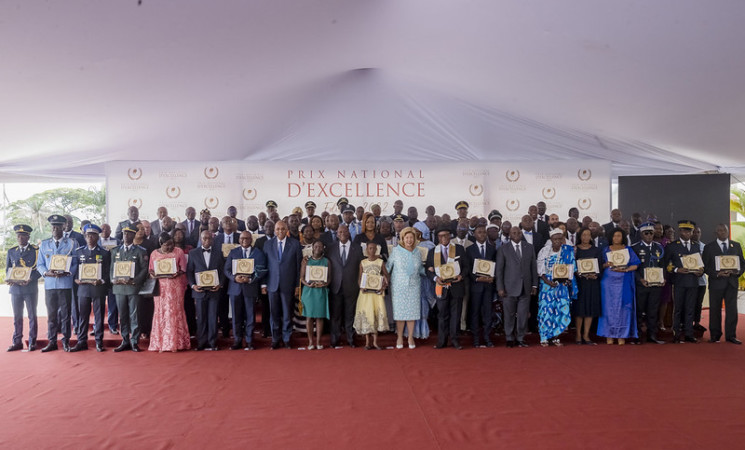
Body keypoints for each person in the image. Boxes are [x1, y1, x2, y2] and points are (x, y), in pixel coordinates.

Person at [37, 215, 79, 352]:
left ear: (63, 227)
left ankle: (66, 340)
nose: (55, 229)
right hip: (50, 284)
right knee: (52, 314)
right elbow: (40, 265)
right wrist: (45, 273)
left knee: (66, 315)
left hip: (65, 283)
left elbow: (76, 262)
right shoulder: (44, 244)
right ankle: (52, 341)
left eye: (58, 226)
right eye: (53, 226)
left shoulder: (71, 243)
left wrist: (68, 272)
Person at [426, 225, 468, 350]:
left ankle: (455, 340)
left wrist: (461, 276)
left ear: (450, 235)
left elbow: (466, 267)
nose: (443, 238)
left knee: (456, 315)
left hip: (456, 286)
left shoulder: (459, 249)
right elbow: (428, 270)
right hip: (441, 287)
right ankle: (442, 341)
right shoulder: (433, 251)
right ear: (437, 237)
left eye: (445, 235)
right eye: (440, 236)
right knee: (442, 315)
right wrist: (435, 278)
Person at [70, 224, 111, 352]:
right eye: (88, 235)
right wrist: (75, 279)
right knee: (83, 316)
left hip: (98, 288)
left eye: (93, 235)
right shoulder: (79, 251)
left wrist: (102, 280)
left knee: (98, 316)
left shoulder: (104, 253)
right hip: (83, 288)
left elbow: (107, 271)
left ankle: (99, 342)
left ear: (97, 237)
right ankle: (82, 341)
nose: (90, 238)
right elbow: (74, 268)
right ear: (85, 236)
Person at [224, 232, 268, 350]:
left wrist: (251, 279)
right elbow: (226, 270)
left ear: (251, 239)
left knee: (250, 316)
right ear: (239, 239)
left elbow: (263, 270)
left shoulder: (258, 253)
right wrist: (234, 278)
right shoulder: (233, 252)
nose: (244, 240)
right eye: (242, 238)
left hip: (250, 288)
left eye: (247, 238)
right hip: (235, 289)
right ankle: (237, 340)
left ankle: (249, 340)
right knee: (236, 316)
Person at [148, 232, 191, 352]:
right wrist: (154, 275)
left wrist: (177, 273)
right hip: (160, 288)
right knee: (161, 312)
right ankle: (160, 343)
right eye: (167, 245)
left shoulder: (178, 252)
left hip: (175, 286)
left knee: (174, 311)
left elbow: (183, 269)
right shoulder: (154, 253)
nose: (170, 247)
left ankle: (177, 342)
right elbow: (151, 270)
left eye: (171, 244)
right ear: (161, 244)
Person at [703, 224, 745, 344]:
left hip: (732, 283)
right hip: (716, 283)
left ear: (727, 232)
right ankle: (715, 336)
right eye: (719, 231)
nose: (722, 232)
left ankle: (731, 335)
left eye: (724, 230)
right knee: (715, 310)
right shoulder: (709, 247)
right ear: (715, 233)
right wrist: (717, 274)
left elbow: (742, 264)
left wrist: (737, 272)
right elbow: (705, 267)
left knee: (732, 310)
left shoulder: (736, 245)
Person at [263, 220, 302, 349]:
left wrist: (297, 285)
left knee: (287, 314)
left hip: (288, 284)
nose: (280, 231)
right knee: (273, 313)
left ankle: (286, 339)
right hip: (272, 284)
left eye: (282, 229)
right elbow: (263, 266)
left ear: (287, 230)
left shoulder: (295, 244)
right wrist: (263, 284)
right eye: (278, 229)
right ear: (274, 230)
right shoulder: (267, 244)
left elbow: (298, 267)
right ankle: (275, 339)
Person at [597, 228, 640, 345]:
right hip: (608, 284)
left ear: (623, 237)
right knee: (608, 309)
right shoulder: (605, 250)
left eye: (619, 236)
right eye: (614, 236)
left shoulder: (628, 250)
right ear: (611, 237)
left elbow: (636, 265)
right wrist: (606, 264)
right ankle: (609, 334)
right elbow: (599, 266)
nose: (616, 238)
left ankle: (622, 335)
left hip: (624, 283)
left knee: (623, 308)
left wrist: (626, 269)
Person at [497, 226, 537, 348]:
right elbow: (499, 270)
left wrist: (534, 285)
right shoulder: (503, 249)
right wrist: (500, 287)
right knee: (509, 315)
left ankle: (520, 338)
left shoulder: (529, 247)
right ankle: (509, 338)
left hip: (526, 287)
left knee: (523, 315)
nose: (516, 234)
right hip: (509, 288)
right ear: (509, 234)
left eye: (518, 232)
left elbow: (533, 268)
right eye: (514, 232)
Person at [664, 220, 704, 343]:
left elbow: (700, 264)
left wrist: (701, 271)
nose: (687, 233)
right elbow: (666, 264)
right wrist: (676, 269)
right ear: (680, 231)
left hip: (693, 281)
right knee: (678, 309)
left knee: (690, 308)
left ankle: (689, 334)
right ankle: (676, 334)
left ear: (692, 232)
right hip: (679, 281)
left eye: (689, 231)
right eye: (684, 230)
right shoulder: (672, 246)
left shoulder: (696, 245)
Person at [110, 225, 149, 352]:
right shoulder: (115, 251)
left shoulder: (140, 251)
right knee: (123, 315)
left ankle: (134, 341)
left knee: (134, 315)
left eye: (129, 234)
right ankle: (125, 340)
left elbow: (144, 269)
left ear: (133, 235)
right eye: (124, 233)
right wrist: (112, 279)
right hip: (119, 288)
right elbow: (111, 268)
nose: (126, 236)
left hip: (133, 288)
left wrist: (136, 280)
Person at [387, 227, 426, 349]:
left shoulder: (417, 252)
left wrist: (432, 272)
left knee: (412, 313)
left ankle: (410, 337)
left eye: (411, 237)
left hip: (414, 285)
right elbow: (388, 267)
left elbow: (420, 269)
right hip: (399, 286)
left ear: (414, 239)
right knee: (400, 314)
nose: (409, 240)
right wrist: (380, 278)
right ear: (402, 238)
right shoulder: (396, 251)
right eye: (406, 237)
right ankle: (399, 337)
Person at [536, 229, 577, 347]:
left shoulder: (567, 252)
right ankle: (544, 337)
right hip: (546, 285)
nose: (558, 241)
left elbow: (571, 268)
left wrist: (566, 280)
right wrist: (548, 282)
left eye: (560, 239)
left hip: (561, 286)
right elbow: (540, 270)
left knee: (559, 310)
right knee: (546, 310)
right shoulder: (544, 251)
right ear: (551, 240)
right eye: (555, 239)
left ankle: (555, 336)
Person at [187, 230, 225, 351]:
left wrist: (220, 284)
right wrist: (193, 285)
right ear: (200, 239)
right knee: (201, 318)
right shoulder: (193, 253)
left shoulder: (219, 253)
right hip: (199, 292)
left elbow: (223, 272)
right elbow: (189, 272)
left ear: (212, 239)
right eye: (204, 238)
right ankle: (201, 342)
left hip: (214, 290)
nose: (207, 241)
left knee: (213, 317)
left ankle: (213, 342)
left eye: (209, 238)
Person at [5, 224, 41, 351]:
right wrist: (9, 279)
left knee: (32, 315)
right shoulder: (11, 251)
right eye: (18, 235)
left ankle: (32, 341)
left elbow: (39, 270)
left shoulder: (36, 250)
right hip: (15, 289)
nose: (20, 238)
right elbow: (8, 270)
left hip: (29, 288)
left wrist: (31, 279)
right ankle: (17, 341)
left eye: (23, 235)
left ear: (28, 236)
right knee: (17, 317)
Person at [326, 224, 362, 347]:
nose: (342, 234)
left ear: (348, 233)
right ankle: (334, 340)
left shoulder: (357, 248)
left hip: (351, 287)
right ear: (337, 234)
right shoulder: (330, 248)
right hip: (335, 286)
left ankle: (351, 339)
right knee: (335, 316)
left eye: (344, 231)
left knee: (350, 315)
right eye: (339, 232)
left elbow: (361, 268)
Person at [631, 222, 666, 344]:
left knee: (653, 310)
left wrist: (663, 278)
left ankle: (652, 335)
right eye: (646, 233)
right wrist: (640, 279)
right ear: (641, 234)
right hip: (641, 285)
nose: (649, 236)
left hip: (655, 285)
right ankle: (637, 336)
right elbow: (632, 268)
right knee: (639, 311)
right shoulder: (634, 248)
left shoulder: (658, 247)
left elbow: (663, 266)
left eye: (651, 233)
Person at [354, 241, 390, 350]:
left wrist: (383, 285)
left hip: (376, 294)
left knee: (375, 315)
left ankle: (375, 342)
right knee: (367, 315)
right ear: (366, 250)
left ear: (376, 249)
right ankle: (367, 342)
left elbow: (386, 276)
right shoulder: (363, 262)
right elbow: (360, 278)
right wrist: (361, 286)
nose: (372, 250)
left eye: (374, 248)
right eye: (370, 248)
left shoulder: (380, 262)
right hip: (365, 294)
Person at [465, 224, 497, 348]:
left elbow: (495, 265)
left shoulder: (492, 249)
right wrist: (478, 278)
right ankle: (476, 338)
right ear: (474, 234)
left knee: (488, 312)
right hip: (476, 286)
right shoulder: (469, 250)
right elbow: (468, 268)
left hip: (488, 286)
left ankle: (488, 337)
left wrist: (492, 277)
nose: (482, 234)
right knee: (475, 313)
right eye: (479, 232)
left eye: (484, 232)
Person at [573, 227, 603, 345]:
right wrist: (579, 274)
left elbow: (600, 265)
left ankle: (586, 335)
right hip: (580, 283)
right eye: (583, 235)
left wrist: (595, 275)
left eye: (588, 235)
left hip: (592, 283)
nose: (586, 237)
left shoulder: (596, 250)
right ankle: (578, 335)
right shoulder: (575, 250)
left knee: (590, 308)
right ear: (580, 236)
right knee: (580, 309)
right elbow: (572, 265)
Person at [300, 241, 330, 349]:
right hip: (309, 291)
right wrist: (308, 284)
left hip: (320, 291)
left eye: (320, 246)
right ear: (312, 248)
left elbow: (329, 278)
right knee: (309, 317)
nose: (318, 248)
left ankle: (318, 342)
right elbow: (302, 278)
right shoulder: (306, 261)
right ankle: (310, 342)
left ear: (323, 248)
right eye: (316, 246)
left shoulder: (326, 261)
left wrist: (324, 284)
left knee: (319, 317)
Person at [411, 222, 435, 340]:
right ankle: (413, 331)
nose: (415, 233)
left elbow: (432, 261)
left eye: (417, 231)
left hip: (425, 278)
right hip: (413, 279)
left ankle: (422, 331)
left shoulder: (430, 245)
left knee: (423, 304)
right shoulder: (409, 243)